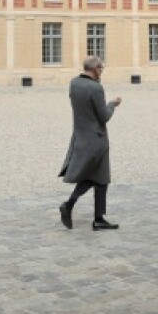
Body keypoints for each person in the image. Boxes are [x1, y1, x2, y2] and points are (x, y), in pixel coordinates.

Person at [58, 56, 123, 231]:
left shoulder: (75, 83)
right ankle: (74, 206)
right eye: (101, 68)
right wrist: (112, 104)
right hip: (97, 139)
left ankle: (96, 217)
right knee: (99, 178)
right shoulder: (96, 88)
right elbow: (104, 116)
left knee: (98, 177)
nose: (102, 71)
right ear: (95, 68)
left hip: (80, 136)